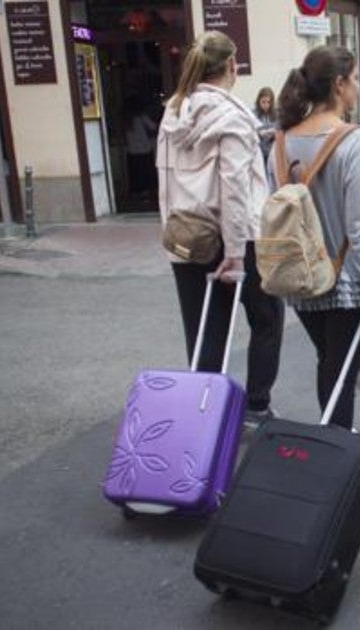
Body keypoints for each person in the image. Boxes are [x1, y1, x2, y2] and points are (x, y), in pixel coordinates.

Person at [157, 30, 284, 425]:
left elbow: (166, 178)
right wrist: (233, 252)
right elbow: (233, 189)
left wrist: (172, 231)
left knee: (203, 332)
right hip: (234, 237)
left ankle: (204, 415)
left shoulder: (173, 112)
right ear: (232, 66)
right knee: (267, 317)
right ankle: (256, 405)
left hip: (184, 234)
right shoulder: (232, 118)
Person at [272, 46, 360, 430]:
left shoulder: (281, 142)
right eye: (357, 79)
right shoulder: (354, 141)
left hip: (302, 278)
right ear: (340, 84)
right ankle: (334, 452)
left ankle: (331, 444)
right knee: (340, 372)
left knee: (329, 363)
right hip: (346, 279)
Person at [125, 97, 158, 199]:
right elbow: (153, 127)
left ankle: (136, 192)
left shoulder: (126, 119)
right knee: (146, 171)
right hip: (144, 148)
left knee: (135, 173)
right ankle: (147, 192)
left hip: (131, 149)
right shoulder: (142, 117)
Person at [251, 86, 277, 164]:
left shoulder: (276, 114)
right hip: (258, 151)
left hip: (272, 150)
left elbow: (280, 130)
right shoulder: (253, 114)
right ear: (259, 101)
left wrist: (273, 133)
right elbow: (250, 131)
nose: (266, 105)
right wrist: (258, 133)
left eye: (268, 102)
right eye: (263, 102)